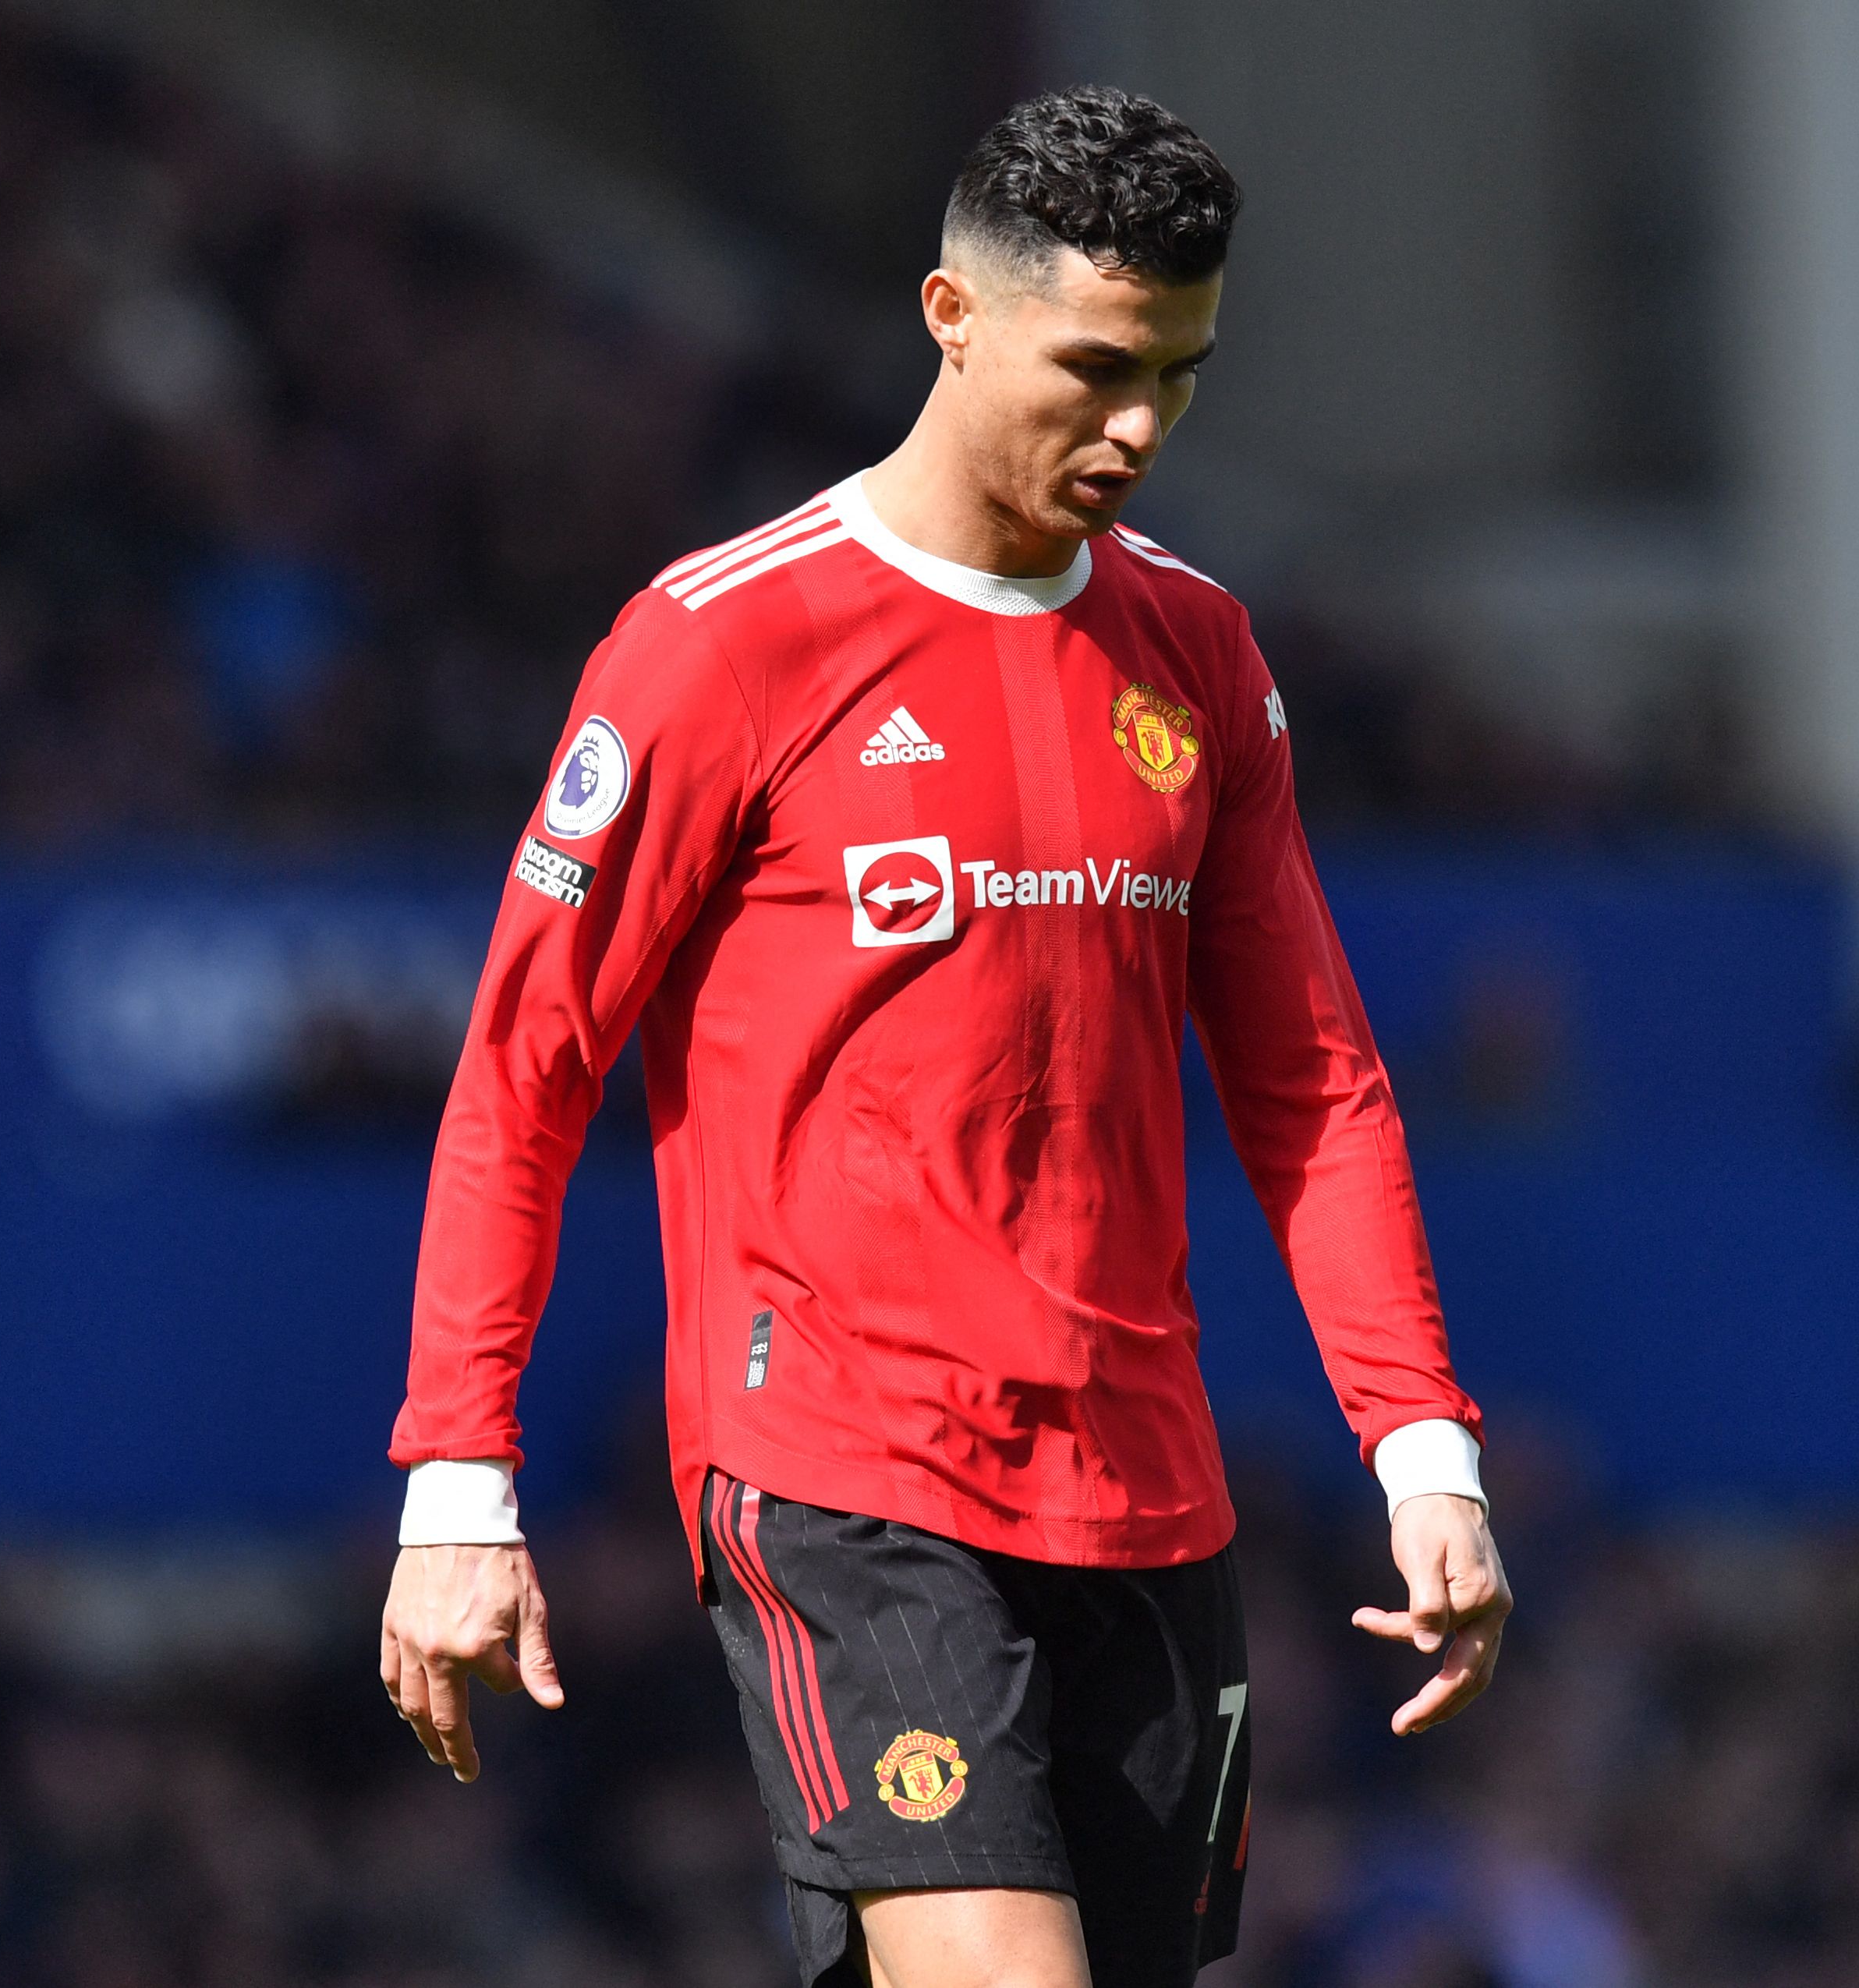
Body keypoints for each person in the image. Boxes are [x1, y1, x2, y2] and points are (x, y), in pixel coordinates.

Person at [379, 87, 1510, 1988]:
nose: (1139, 425)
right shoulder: (719, 645)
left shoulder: (1201, 657)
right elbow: (523, 1067)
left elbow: (1309, 1074)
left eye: (1179, 372)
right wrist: (454, 1486)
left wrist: (1423, 1450)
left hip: (1142, 1477)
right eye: (1095, 366)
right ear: (948, 315)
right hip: (842, 1463)